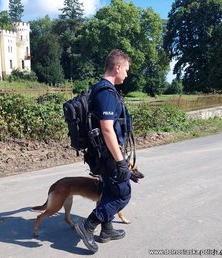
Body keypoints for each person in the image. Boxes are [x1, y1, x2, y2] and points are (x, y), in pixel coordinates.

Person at [75, 49, 134, 253]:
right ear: (117, 67)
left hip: (102, 153)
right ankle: (88, 225)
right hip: (109, 155)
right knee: (122, 194)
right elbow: (107, 128)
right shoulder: (106, 93)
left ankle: (107, 229)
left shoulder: (98, 89)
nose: (127, 74)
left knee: (110, 190)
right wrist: (121, 162)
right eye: (126, 69)